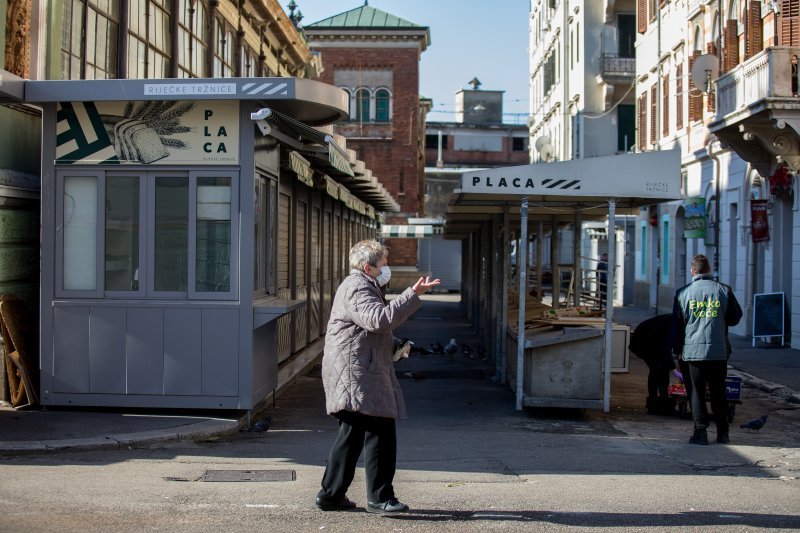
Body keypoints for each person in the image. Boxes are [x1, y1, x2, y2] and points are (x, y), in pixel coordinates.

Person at [316, 240, 440, 515]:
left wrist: (394, 345)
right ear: (367, 267)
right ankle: (380, 498)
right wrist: (412, 294)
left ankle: (331, 494)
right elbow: (378, 320)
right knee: (379, 430)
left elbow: (371, 329)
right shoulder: (358, 286)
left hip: (358, 369)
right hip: (357, 373)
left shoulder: (364, 285)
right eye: (382, 264)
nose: (386, 269)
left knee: (352, 434)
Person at [671, 254, 742, 445]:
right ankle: (723, 433)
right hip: (717, 352)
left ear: (692, 271)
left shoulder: (682, 293)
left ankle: (700, 433)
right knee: (719, 393)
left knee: (696, 392)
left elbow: (677, 327)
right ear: (709, 270)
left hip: (692, 353)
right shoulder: (724, 290)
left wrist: (676, 351)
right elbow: (735, 317)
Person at [628, 314, 677, 415]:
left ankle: (663, 398)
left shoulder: (675, 322)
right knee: (656, 367)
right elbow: (665, 348)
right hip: (642, 342)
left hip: (652, 341)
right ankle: (653, 401)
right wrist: (674, 368)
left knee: (663, 368)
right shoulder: (674, 324)